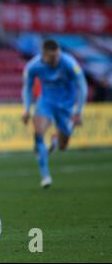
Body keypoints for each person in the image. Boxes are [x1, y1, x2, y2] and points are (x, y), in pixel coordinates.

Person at [21, 39, 87, 188]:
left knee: (63, 147)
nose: (57, 59)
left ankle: (56, 140)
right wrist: (26, 109)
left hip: (67, 105)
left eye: (58, 55)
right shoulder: (33, 67)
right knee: (38, 134)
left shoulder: (69, 63)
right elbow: (27, 88)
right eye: (53, 57)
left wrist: (78, 111)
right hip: (46, 103)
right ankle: (45, 176)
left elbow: (82, 86)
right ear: (44, 55)